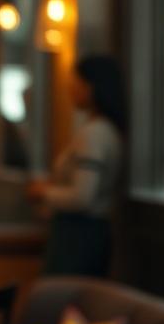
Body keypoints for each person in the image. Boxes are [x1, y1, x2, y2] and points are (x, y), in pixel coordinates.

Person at [28, 55, 125, 277]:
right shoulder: (104, 130)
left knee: (64, 301)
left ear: (93, 87)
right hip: (89, 232)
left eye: (77, 83)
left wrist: (44, 191)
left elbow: (82, 196)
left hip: (77, 235)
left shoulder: (93, 134)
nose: (71, 89)